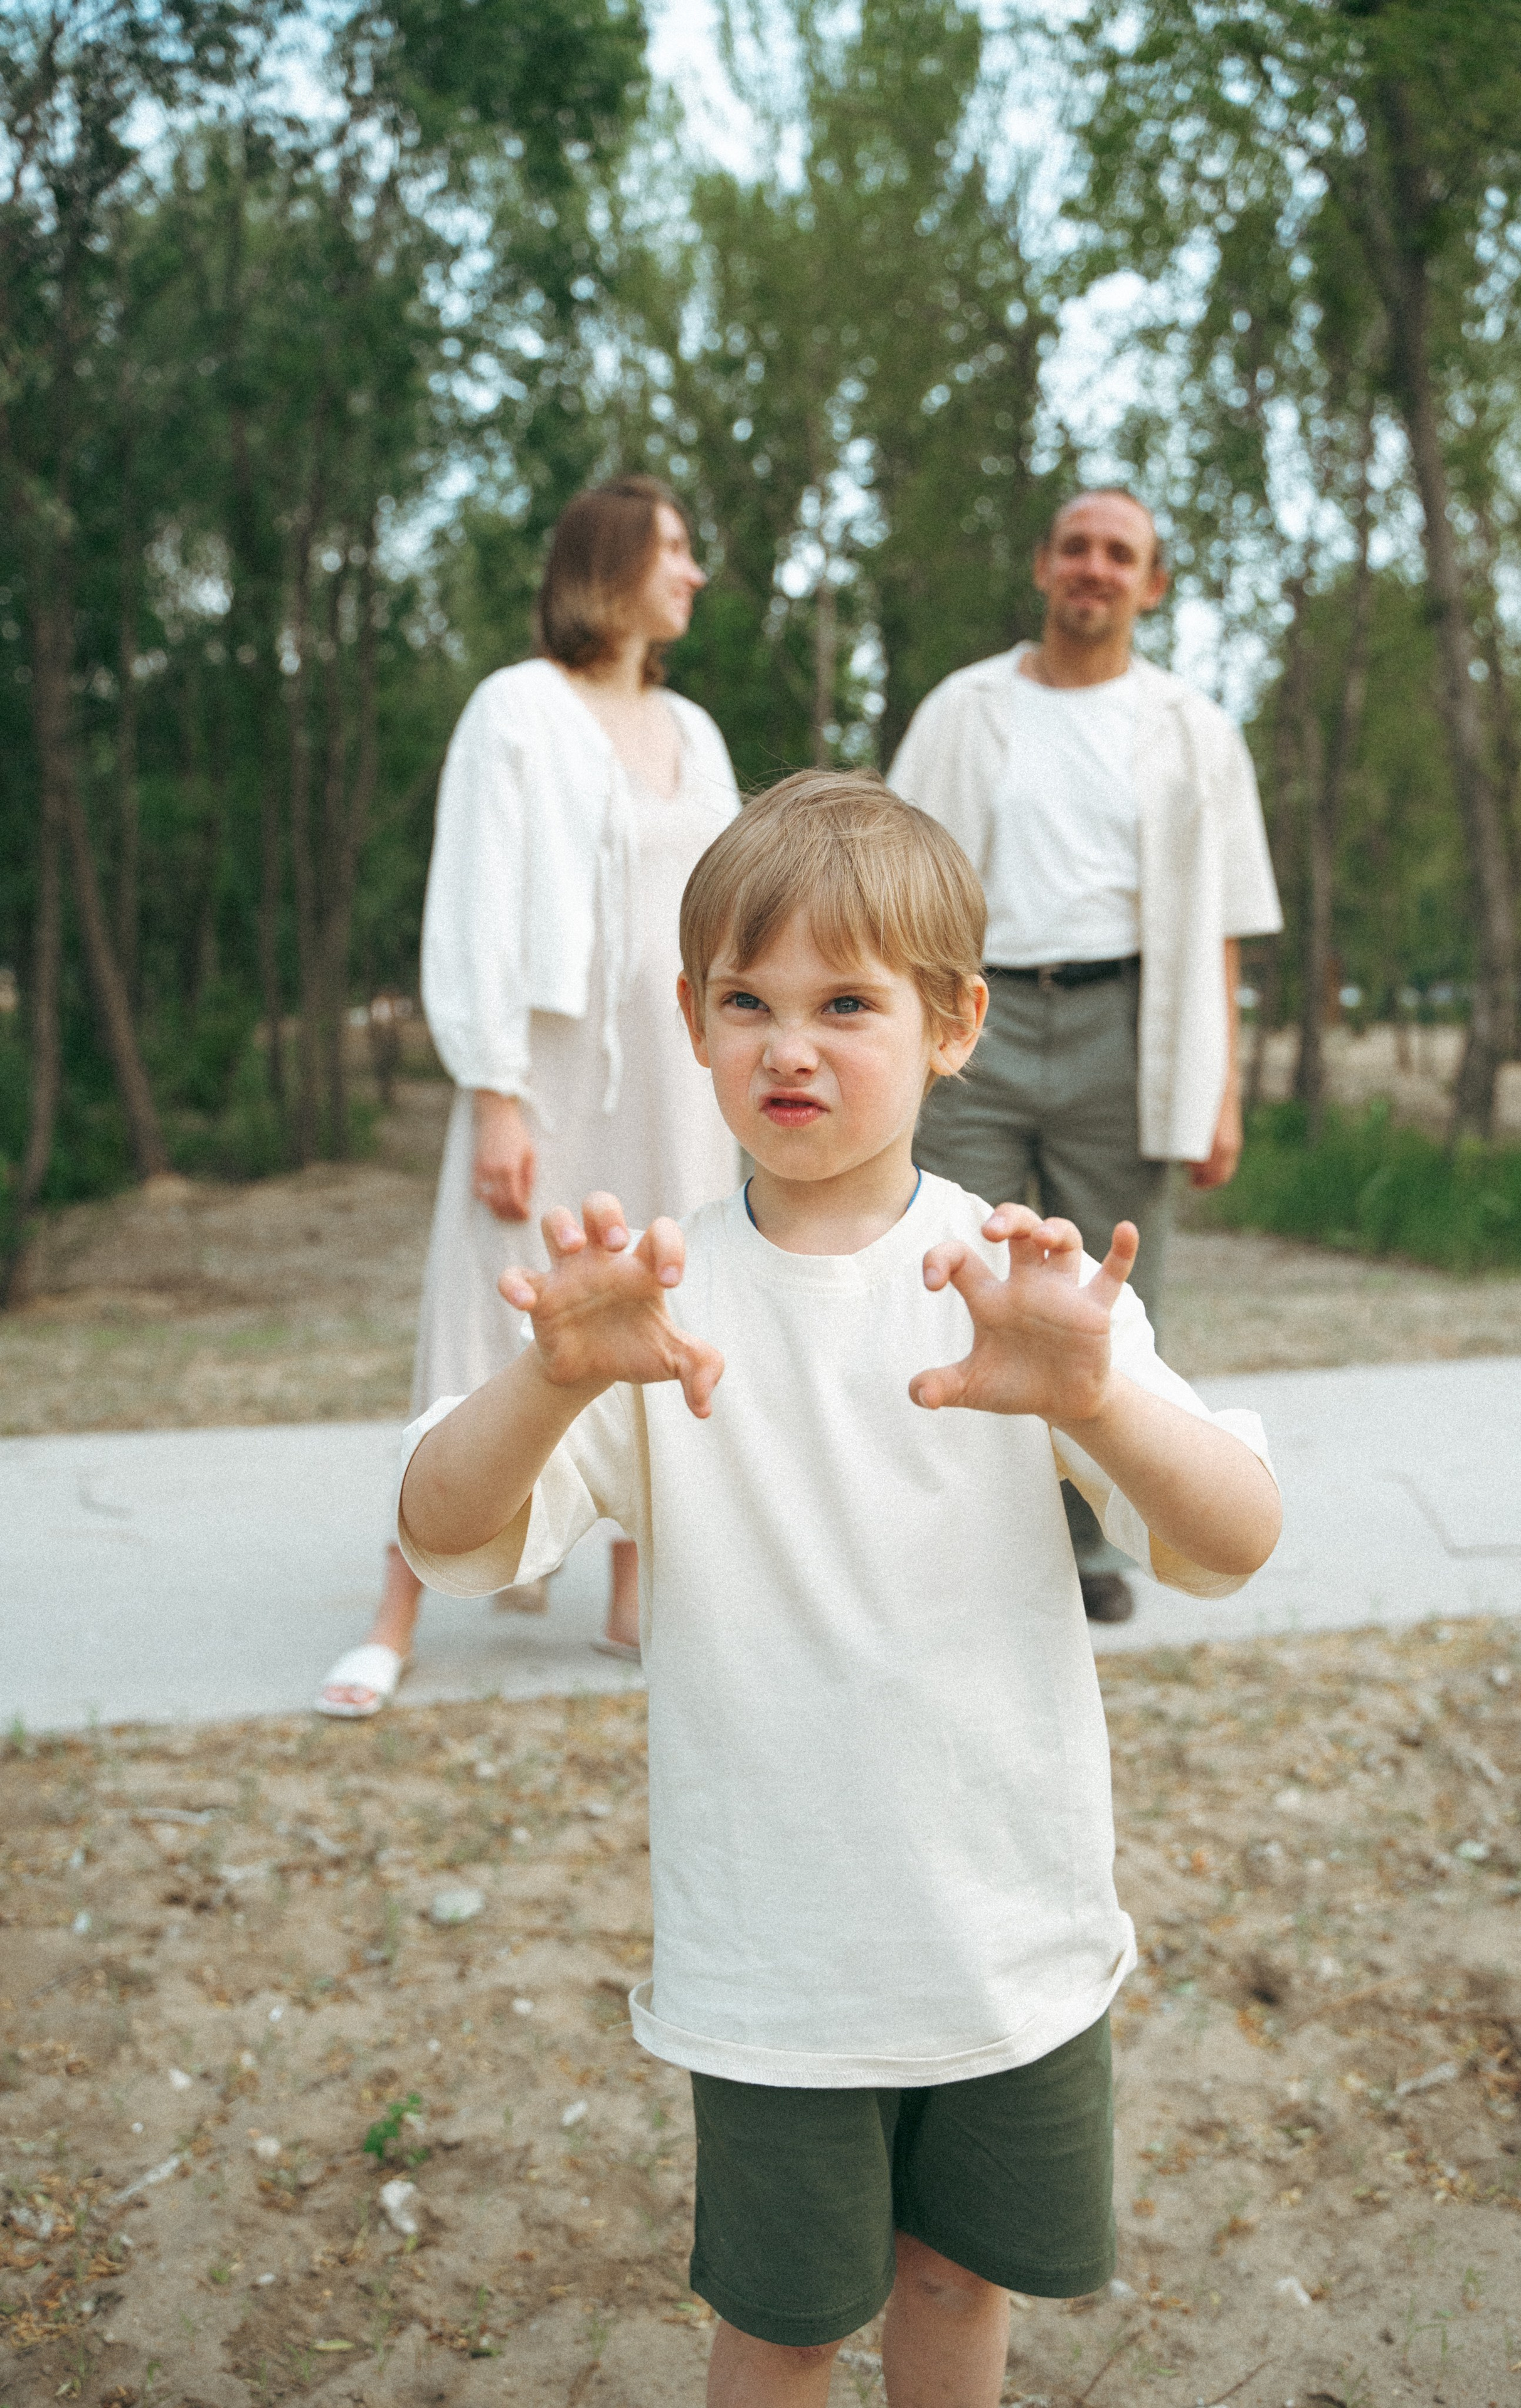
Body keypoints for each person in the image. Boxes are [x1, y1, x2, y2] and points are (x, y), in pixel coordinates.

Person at [393, 774, 1281, 2404]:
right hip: (775, 1962)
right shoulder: (655, 1304)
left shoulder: (1028, 1286)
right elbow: (445, 1533)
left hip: (1007, 1930)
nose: (789, 1045)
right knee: (789, 2325)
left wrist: (1097, 1402)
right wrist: (549, 1382)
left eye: (847, 1003)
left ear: (955, 1026)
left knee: (955, 2285)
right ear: (692, 1019)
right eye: (750, 1001)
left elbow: (1232, 1540)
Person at [317, 476, 740, 1718]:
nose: (693, 573)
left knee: (657, 1296)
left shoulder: (697, 733)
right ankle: (397, 1610)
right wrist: (492, 1091)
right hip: (546, 1071)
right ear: (606, 562)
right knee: (486, 1312)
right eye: (673, 548)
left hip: (675, 1074)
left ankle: (631, 1593)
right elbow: (473, 903)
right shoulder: (515, 709)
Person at [889, 487, 1283, 1625]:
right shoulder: (963, 710)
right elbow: (894, 878)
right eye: (1076, 548)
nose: (1095, 569)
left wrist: (1224, 1096)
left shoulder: (1193, 729)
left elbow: (1217, 928)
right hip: (977, 1018)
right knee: (935, 1254)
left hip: (1126, 1025)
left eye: (1122, 554)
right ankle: (932, 1521)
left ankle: (1091, 1544)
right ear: (1042, 566)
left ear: (1151, 585)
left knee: (1105, 1290)